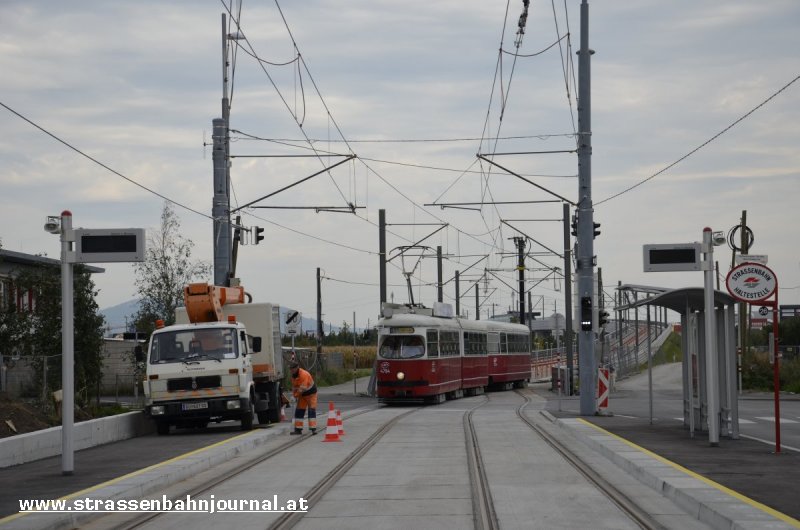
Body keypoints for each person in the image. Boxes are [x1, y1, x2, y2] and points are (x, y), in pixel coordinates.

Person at [289, 361, 317, 435]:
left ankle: (313, 429)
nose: (291, 370)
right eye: (291, 369)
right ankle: (298, 429)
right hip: (302, 395)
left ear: (297, 368)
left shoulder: (304, 374)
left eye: (293, 369)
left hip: (311, 394)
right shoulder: (293, 376)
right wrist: (293, 395)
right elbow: (295, 387)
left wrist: (295, 396)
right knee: (299, 411)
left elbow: (302, 388)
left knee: (311, 410)